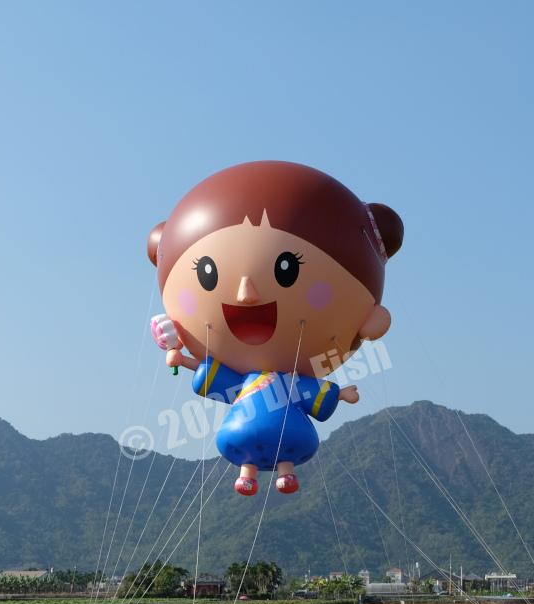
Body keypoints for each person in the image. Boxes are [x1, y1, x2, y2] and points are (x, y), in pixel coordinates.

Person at [150, 161, 403, 496]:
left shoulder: (288, 384)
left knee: (275, 445)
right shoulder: (280, 384)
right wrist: (181, 360)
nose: (245, 295)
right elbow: (212, 374)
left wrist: (342, 393)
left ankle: (277, 473)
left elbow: (219, 377)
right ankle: (250, 473)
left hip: (272, 425)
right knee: (258, 446)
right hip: (261, 426)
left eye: (287, 269)